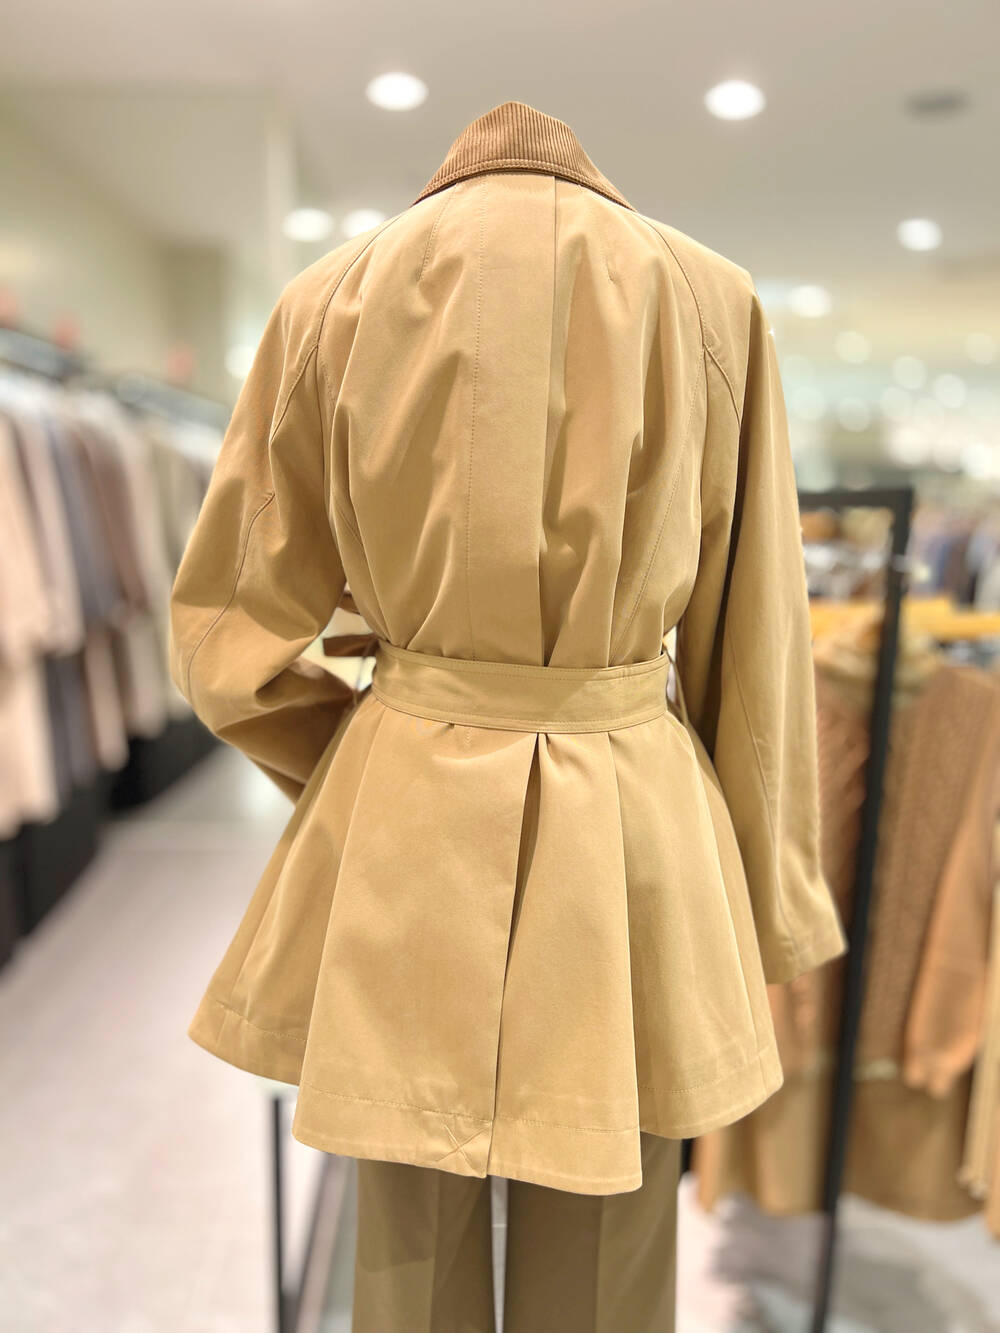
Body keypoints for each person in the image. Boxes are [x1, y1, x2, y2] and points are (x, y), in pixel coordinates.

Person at [168, 99, 848, 1331]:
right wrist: (767, 892)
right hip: (628, 814)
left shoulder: (328, 300)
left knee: (404, 1232)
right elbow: (755, 641)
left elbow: (225, 640)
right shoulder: (710, 301)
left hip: (405, 811)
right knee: (609, 1229)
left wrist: (360, 763)